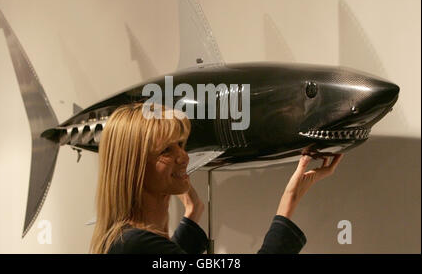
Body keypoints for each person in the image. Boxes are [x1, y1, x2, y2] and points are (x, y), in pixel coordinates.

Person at [89, 103, 343, 254]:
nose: (184, 157)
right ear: (133, 167)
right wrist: (290, 199)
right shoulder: (137, 245)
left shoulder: (126, 239)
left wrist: (193, 212)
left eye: (180, 144)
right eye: (167, 150)